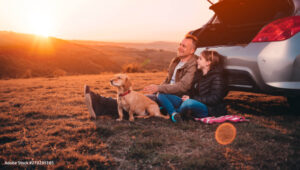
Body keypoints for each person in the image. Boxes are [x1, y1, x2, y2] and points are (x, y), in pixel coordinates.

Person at [84, 35, 198, 119]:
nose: (179, 48)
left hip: (173, 98)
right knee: (132, 98)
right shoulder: (176, 60)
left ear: (192, 50)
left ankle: (99, 103)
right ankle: (99, 104)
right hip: (162, 93)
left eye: (184, 46)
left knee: (134, 102)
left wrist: (159, 89)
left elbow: (183, 86)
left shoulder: (193, 65)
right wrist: (157, 89)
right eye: (180, 44)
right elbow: (168, 80)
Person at [157, 50, 227, 123]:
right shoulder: (199, 75)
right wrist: (187, 96)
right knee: (161, 93)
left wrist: (192, 98)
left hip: (208, 109)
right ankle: (173, 114)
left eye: (200, 59)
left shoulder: (217, 77)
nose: (197, 61)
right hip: (192, 101)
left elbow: (214, 99)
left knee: (188, 103)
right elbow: (192, 91)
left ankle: (168, 108)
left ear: (208, 63)